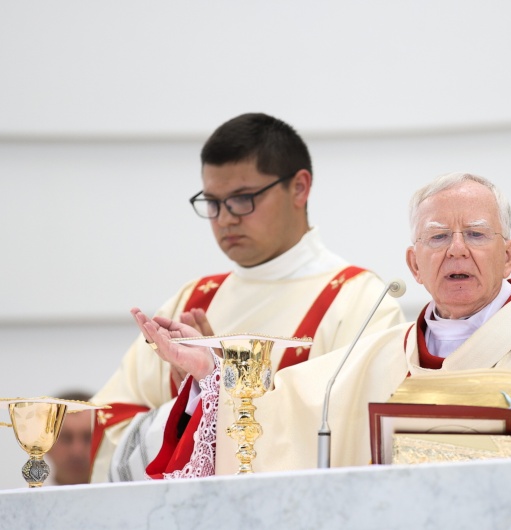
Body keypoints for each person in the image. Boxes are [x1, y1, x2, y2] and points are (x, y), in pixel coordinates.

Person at [140, 172, 511, 477]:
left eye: (476, 234)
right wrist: (215, 370)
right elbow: (277, 413)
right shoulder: (368, 361)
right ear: (413, 264)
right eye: (436, 237)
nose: (456, 249)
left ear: (510, 256)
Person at [90, 113, 405, 482]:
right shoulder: (193, 300)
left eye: (242, 199)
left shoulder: (359, 301)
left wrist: (220, 387)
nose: (225, 219)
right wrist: (189, 400)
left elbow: (356, 436)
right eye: (212, 202)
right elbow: (109, 425)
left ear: (300, 187)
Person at [47, 391, 93, 486]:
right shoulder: (23, 500)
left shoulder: (125, 498)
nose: (77, 451)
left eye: (88, 438)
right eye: (66, 438)